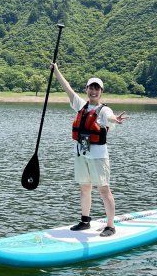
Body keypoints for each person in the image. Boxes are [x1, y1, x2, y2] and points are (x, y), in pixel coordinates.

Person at [51, 64, 127, 237]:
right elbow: (67, 88)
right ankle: (85, 220)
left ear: (101, 92)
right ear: (86, 89)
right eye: (91, 88)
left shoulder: (104, 109)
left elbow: (110, 117)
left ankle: (110, 225)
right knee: (84, 188)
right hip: (81, 155)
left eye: (97, 88)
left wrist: (116, 119)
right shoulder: (81, 105)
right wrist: (55, 70)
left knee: (103, 190)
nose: (93, 91)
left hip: (98, 157)